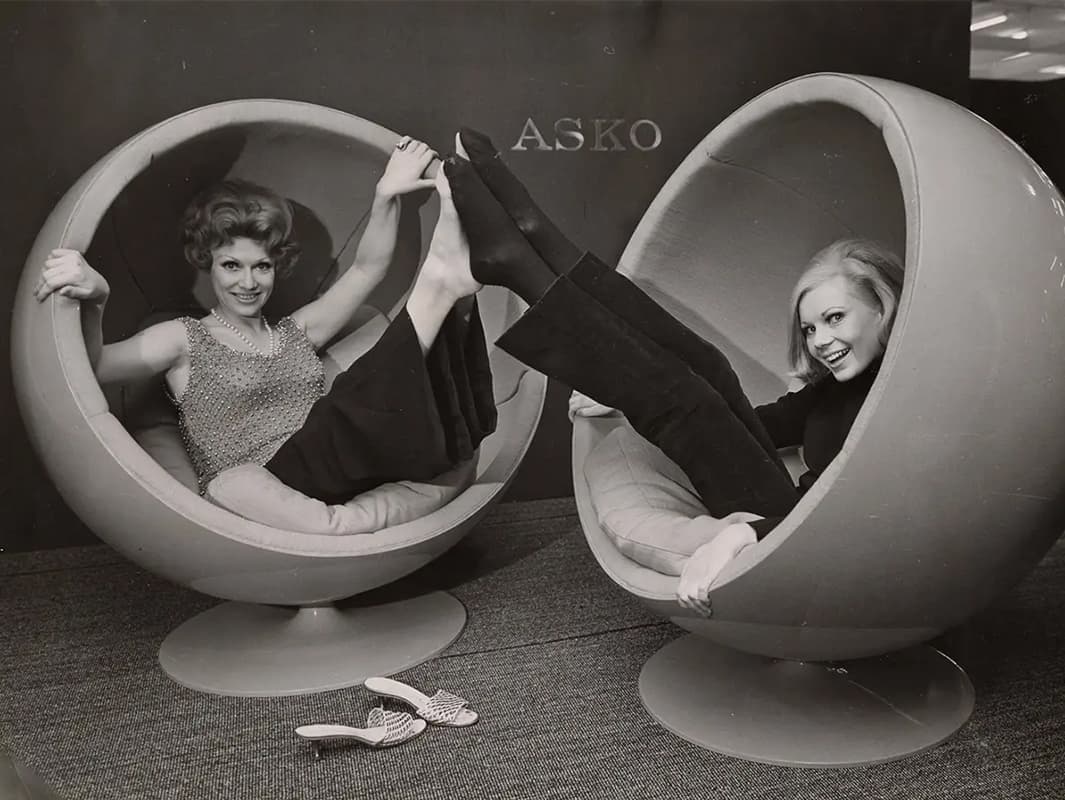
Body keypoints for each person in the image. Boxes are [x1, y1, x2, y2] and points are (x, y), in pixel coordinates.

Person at [437, 127, 902, 616]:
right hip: (788, 515)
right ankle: (536, 235)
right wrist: (627, 397)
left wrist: (743, 534)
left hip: (795, 535)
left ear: (882, 307)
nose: (820, 341)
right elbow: (759, 423)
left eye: (835, 318)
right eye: (810, 328)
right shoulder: (838, 387)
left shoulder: (901, 402)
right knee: (710, 369)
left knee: (688, 403)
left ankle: (516, 265)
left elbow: (850, 521)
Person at [33, 136, 495, 506]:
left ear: (277, 267)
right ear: (207, 264)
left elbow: (367, 269)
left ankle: (461, 275)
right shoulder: (183, 338)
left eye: (262, 267)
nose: (248, 283)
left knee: (428, 412)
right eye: (231, 266)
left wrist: (385, 195)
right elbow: (93, 369)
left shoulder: (297, 332)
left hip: (331, 461)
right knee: (355, 402)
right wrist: (98, 300)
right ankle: (443, 282)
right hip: (263, 486)